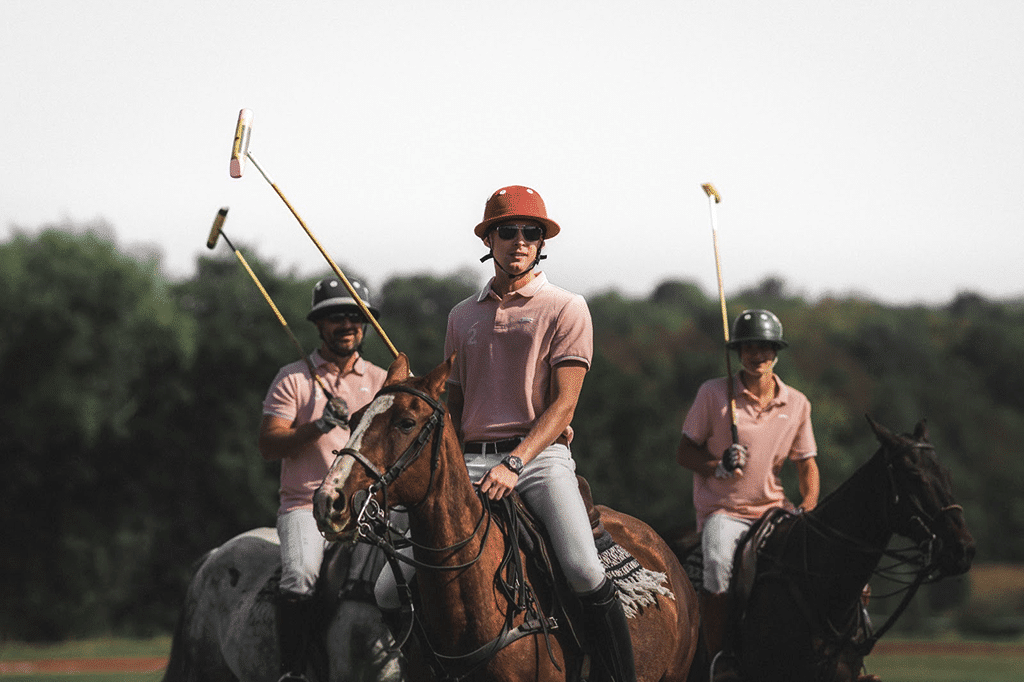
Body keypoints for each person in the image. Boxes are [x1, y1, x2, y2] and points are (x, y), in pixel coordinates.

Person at [443, 185, 636, 682]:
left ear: (541, 242)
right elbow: (455, 403)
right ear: (490, 238)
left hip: (539, 460)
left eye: (532, 233)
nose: (520, 241)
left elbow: (565, 404)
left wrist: (514, 463)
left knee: (584, 569)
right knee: (385, 585)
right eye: (508, 231)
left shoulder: (566, 306)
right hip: (469, 460)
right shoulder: (461, 316)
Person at [259, 277, 388, 682]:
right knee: (300, 576)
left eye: (355, 316)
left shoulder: (383, 381)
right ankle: (293, 671)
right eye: (336, 317)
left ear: (365, 324)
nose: (347, 324)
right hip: (307, 505)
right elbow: (268, 444)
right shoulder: (294, 378)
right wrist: (316, 426)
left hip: (369, 508)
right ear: (319, 325)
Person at [675, 309, 820, 669]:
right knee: (718, 564)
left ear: (776, 352)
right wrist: (718, 465)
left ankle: (830, 654)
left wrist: (810, 505)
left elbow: (807, 465)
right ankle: (719, 657)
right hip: (725, 512)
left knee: (820, 564)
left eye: (765, 348)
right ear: (738, 353)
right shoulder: (713, 393)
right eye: (749, 348)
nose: (758, 356)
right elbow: (684, 452)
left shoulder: (798, 403)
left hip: (776, 510)